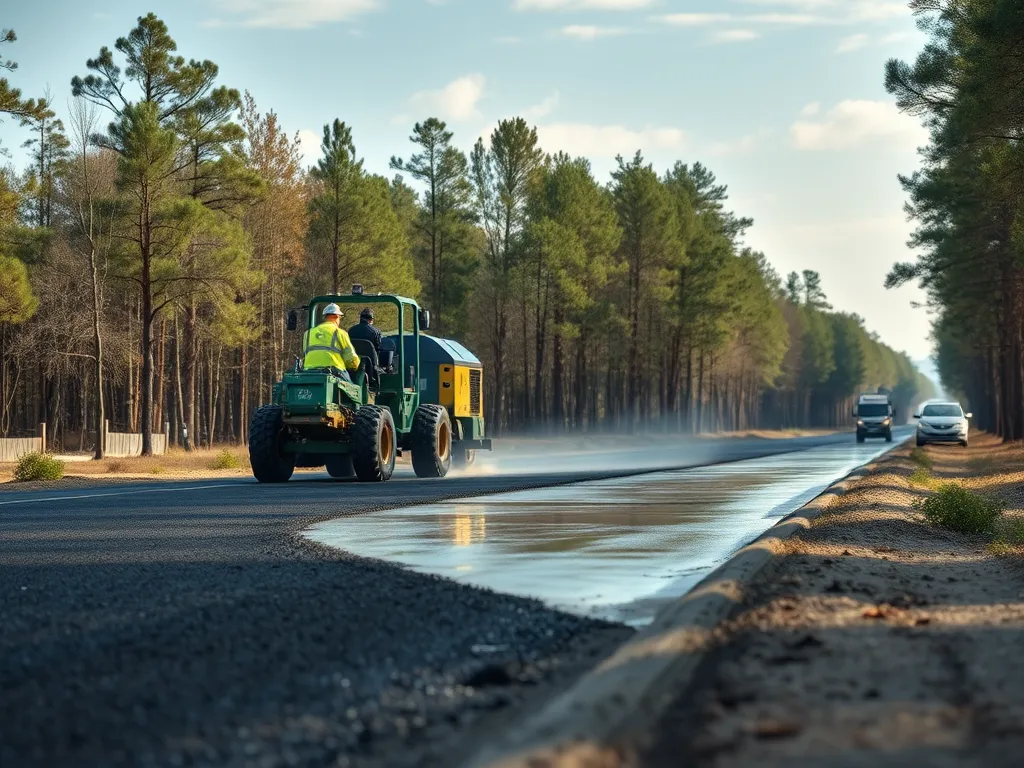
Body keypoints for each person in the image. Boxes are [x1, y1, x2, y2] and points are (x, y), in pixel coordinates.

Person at [302, 303, 360, 381]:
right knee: (354, 390)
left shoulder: (308, 333)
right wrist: (354, 366)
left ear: (324, 317)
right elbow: (351, 359)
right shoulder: (340, 333)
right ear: (337, 316)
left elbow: (306, 353)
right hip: (334, 371)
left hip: (309, 371)